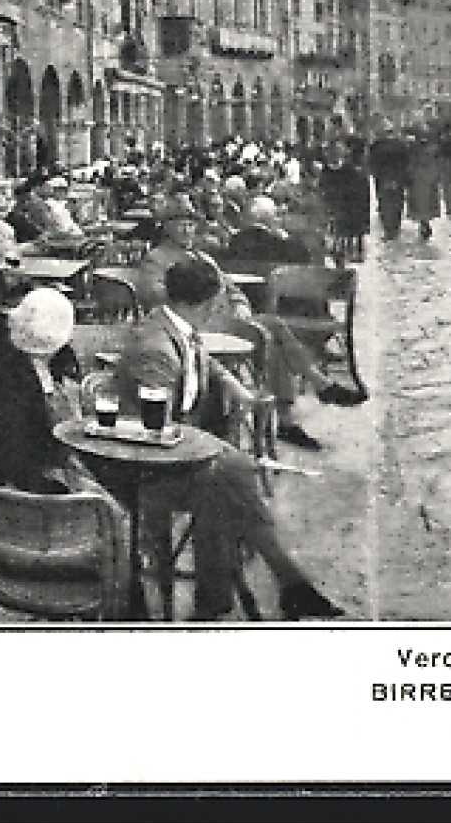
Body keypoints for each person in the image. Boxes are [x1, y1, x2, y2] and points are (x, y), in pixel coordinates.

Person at [115, 259, 345, 621]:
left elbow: (201, 359)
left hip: (180, 451)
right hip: (147, 467)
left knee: (227, 488)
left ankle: (238, 597)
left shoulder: (173, 324)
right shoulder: (155, 347)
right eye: (215, 305)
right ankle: (281, 588)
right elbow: (152, 430)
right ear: (204, 305)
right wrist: (209, 449)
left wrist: (233, 385)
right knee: (233, 478)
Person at [139, 196, 364, 450]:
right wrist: (190, 284)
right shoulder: (157, 259)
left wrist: (240, 304)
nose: (186, 230)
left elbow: (231, 287)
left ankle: (295, 406)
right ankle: (311, 392)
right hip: (198, 322)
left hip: (225, 318)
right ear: (166, 228)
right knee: (269, 330)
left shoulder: (202, 255)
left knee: (271, 330)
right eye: (179, 224)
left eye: (190, 224)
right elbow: (153, 295)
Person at [0, 289, 102, 496]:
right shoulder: (8, 381)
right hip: (26, 488)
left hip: (52, 465)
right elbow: (14, 457)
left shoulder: (51, 366)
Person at [366, 119, 410, 241]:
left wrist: (376, 175)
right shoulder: (400, 145)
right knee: (397, 203)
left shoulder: (376, 146)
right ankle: (395, 228)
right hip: (398, 177)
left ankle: (388, 230)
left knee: (385, 203)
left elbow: (371, 163)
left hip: (383, 178)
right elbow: (406, 162)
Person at [407, 125, 443, 241]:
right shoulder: (432, 150)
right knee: (425, 203)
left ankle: (424, 223)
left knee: (422, 202)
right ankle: (425, 223)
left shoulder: (415, 150)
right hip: (427, 177)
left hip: (421, 178)